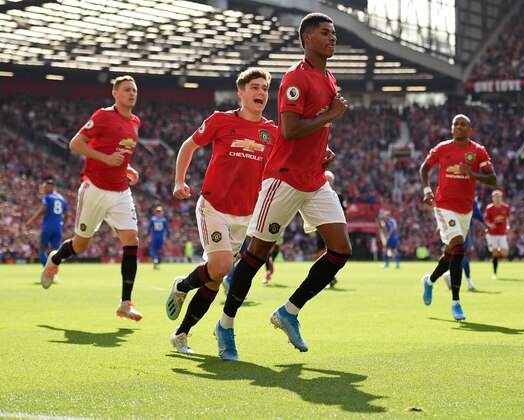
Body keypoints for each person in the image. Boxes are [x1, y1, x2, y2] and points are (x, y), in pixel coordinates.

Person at [213, 12, 351, 362]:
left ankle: (289, 311)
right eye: (324, 33)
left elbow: (312, 129)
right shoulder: (296, 77)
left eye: (333, 33)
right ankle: (225, 326)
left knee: (341, 250)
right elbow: (289, 129)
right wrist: (330, 117)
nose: (332, 38)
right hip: (285, 178)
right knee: (255, 256)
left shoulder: (329, 78)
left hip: (314, 179)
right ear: (307, 38)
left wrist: (323, 148)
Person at [165, 67, 277, 354]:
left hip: (245, 215)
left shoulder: (272, 133)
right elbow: (189, 146)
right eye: (255, 87)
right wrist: (179, 180)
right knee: (221, 268)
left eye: (264, 88)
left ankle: (181, 334)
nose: (261, 93)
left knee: (214, 279)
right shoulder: (220, 120)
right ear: (241, 92)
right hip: (213, 206)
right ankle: (182, 285)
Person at [40, 75, 144, 321]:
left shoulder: (135, 122)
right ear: (115, 93)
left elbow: (120, 150)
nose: (132, 94)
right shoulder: (103, 116)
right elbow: (75, 144)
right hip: (95, 187)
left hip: (120, 190)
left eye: (135, 90)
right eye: (127, 90)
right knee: (80, 245)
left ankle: (125, 303)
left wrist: (127, 169)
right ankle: (55, 258)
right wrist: (106, 160)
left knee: (132, 240)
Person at [419, 114, 497, 321]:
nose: (459, 127)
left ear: (470, 129)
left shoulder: (478, 151)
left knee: (450, 255)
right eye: (456, 124)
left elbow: (492, 178)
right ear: (451, 128)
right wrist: (427, 191)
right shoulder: (442, 148)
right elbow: (424, 169)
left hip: (466, 209)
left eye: (463, 124)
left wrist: (473, 174)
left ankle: (430, 281)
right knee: (459, 249)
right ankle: (456, 302)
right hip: (444, 205)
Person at [443, 197, 487, 291]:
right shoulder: (468, 193)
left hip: (452, 226)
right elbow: (476, 212)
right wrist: (485, 223)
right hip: (465, 227)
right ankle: (461, 278)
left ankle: (463, 279)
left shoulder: (453, 193)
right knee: (464, 253)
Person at [25, 179, 68, 269]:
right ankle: (54, 271)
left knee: (42, 248)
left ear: (50, 187)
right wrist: (61, 223)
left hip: (48, 226)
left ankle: (47, 269)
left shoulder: (48, 197)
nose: (44, 188)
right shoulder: (62, 198)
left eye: (45, 187)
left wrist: (32, 220)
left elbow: (43, 209)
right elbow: (66, 215)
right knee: (55, 250)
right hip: (58, 227)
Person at [484, 190, 511, 279]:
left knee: (505, 254)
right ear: (492, 198)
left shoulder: (505, 207)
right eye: (495, 197)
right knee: (495, 253)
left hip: (502, 234)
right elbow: (486, 220)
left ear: (501, 197)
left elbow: (507, 218)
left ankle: (497, 249)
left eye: (499, 196)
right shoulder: (489, 208)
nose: (497, 198)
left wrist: (507, 225)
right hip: (491, 234)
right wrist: (490, 225)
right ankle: (494, 273)